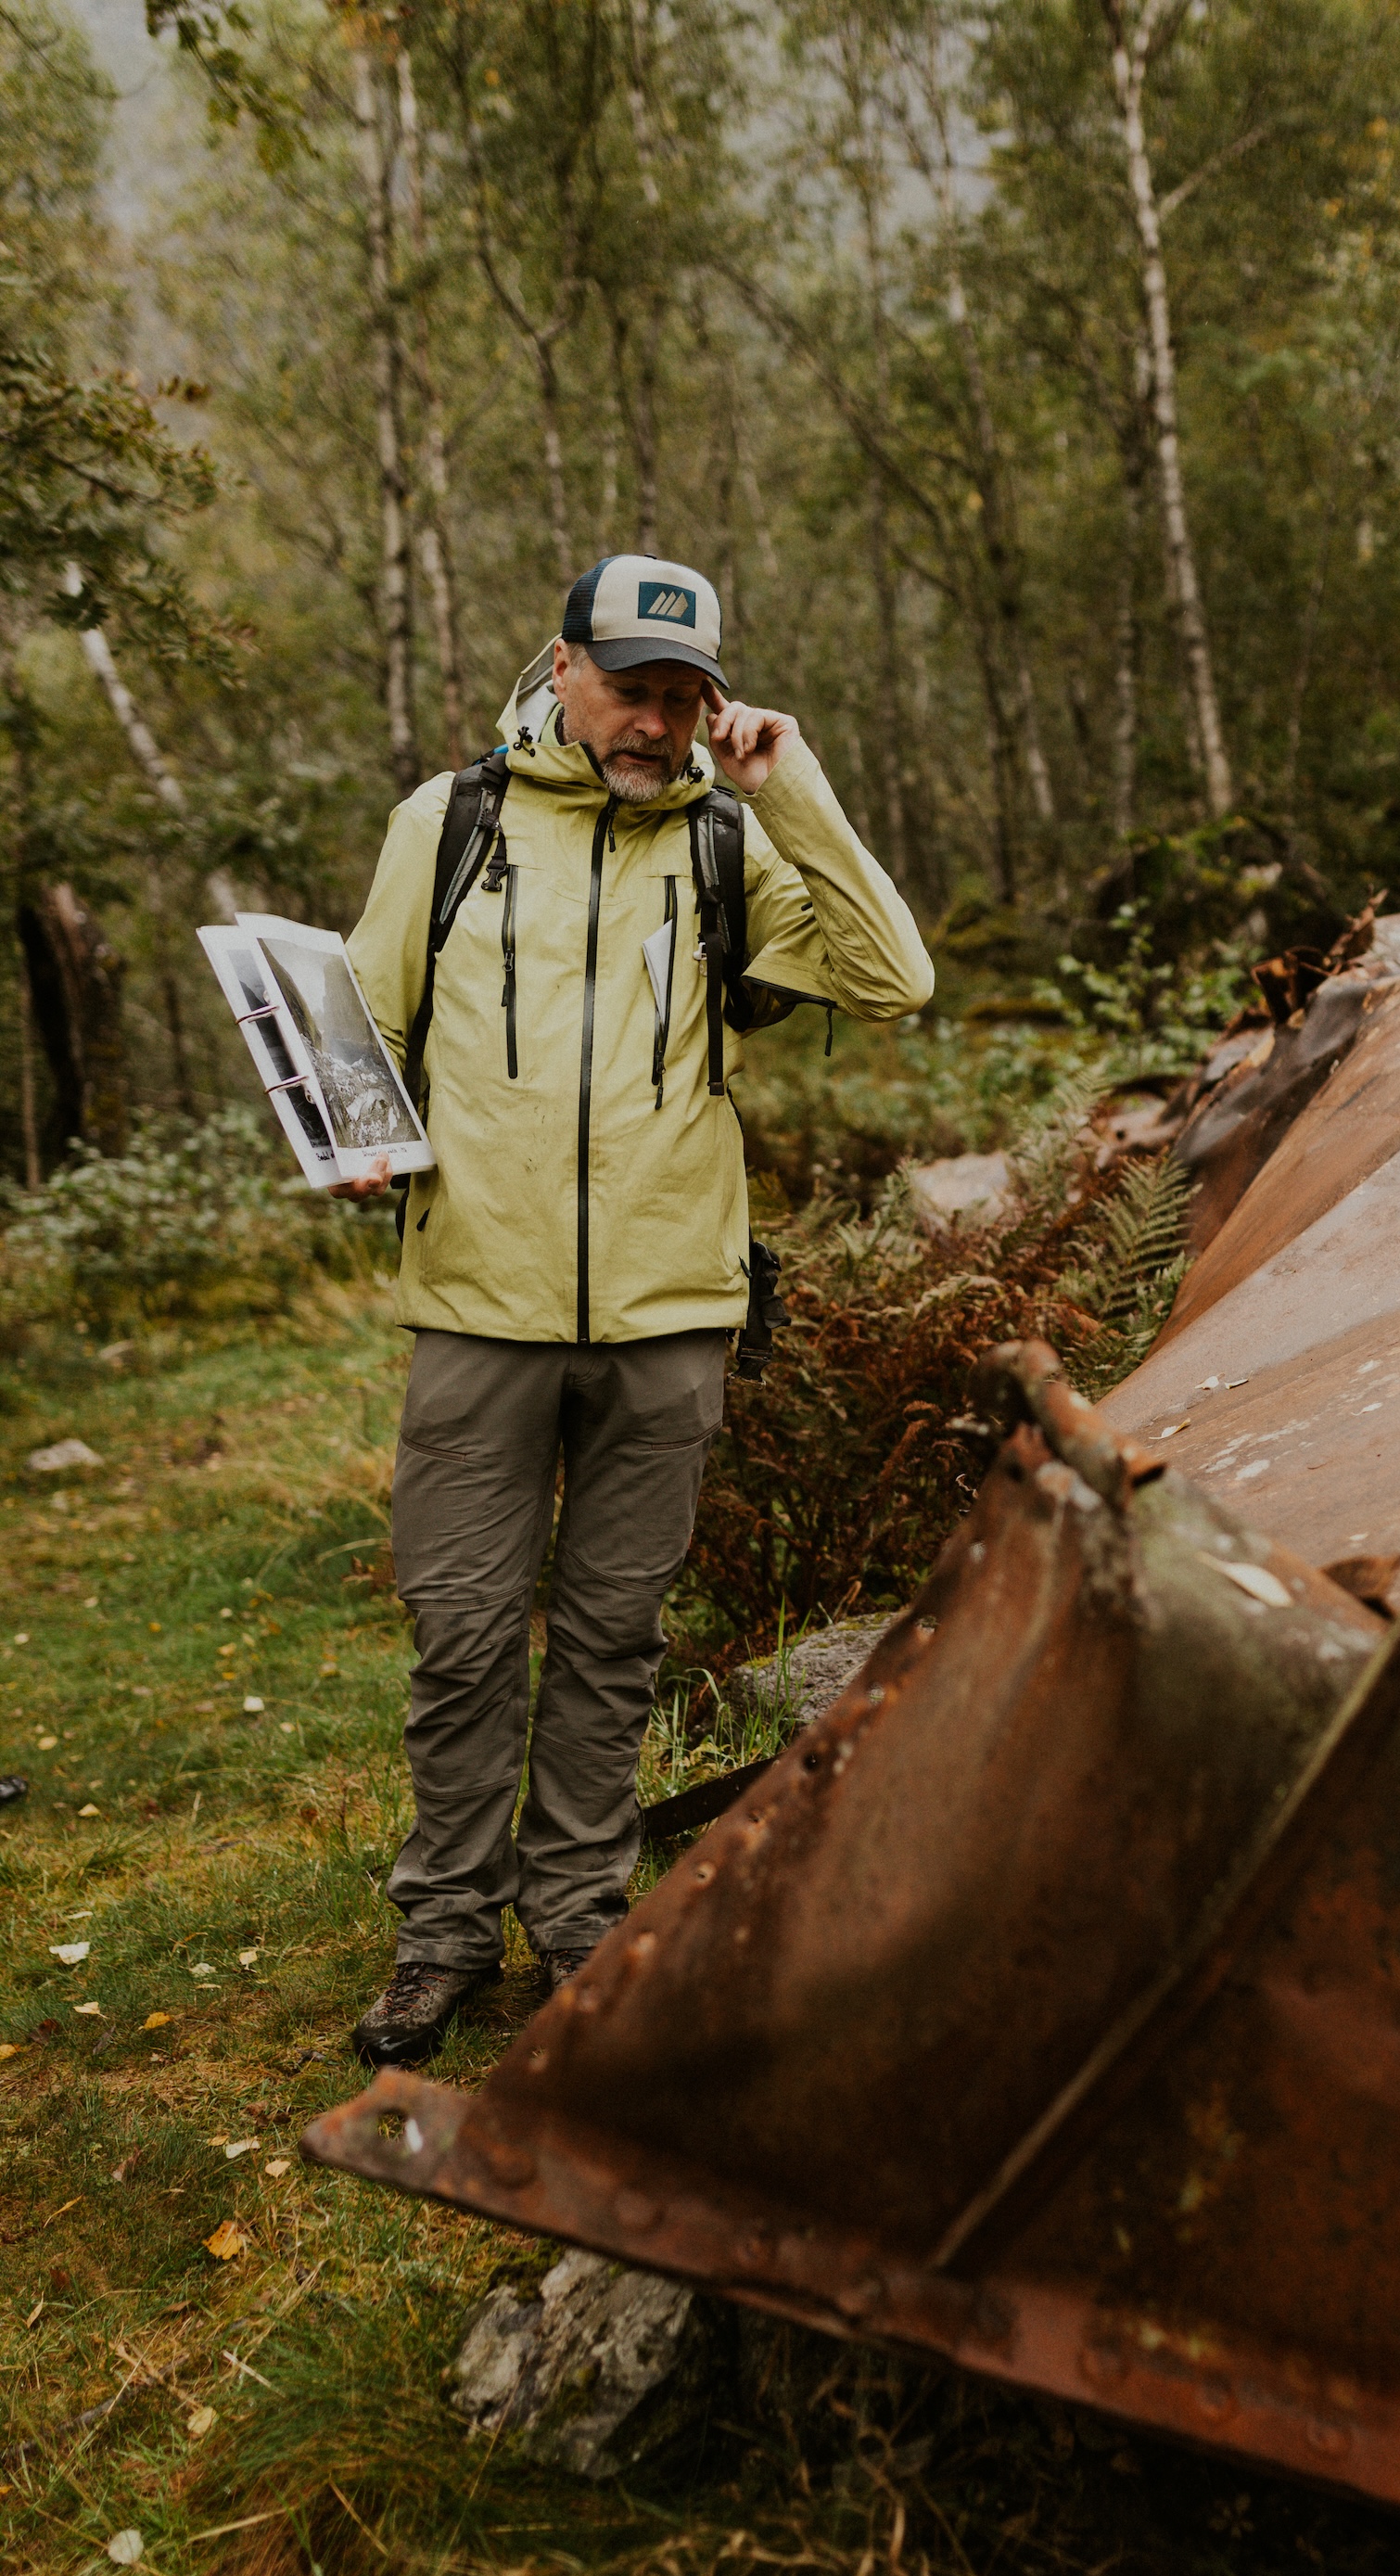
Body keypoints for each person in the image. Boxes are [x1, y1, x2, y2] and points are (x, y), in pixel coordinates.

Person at [337, 553, 933, 2067]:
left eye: (685, 694)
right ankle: (443, 1933)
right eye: (630, 686)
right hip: (479, 1305)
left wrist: (789, 791)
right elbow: (362, 1028)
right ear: (560, 665)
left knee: (612, 1638)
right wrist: (358, 1142)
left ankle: (583, 1922)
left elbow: (897, 977)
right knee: (465, 1635)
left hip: (670, 1316)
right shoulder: (451, 825)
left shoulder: (731, 848)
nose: (655, 721)